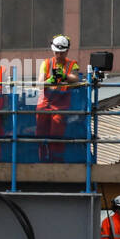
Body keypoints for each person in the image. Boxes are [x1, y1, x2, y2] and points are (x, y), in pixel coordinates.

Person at [37, 34, 80, 163]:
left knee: (57, 134)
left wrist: (65, 76)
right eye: (57, 52)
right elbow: (39, 83)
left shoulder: (72, 64)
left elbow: (76, 79)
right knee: (40, 134)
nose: (59, 55)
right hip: (44, 104)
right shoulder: (47, 63)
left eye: (62, 53)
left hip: (61, 105)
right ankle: (42, 159)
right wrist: (49, 81)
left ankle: (56, 160)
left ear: (67, 51)